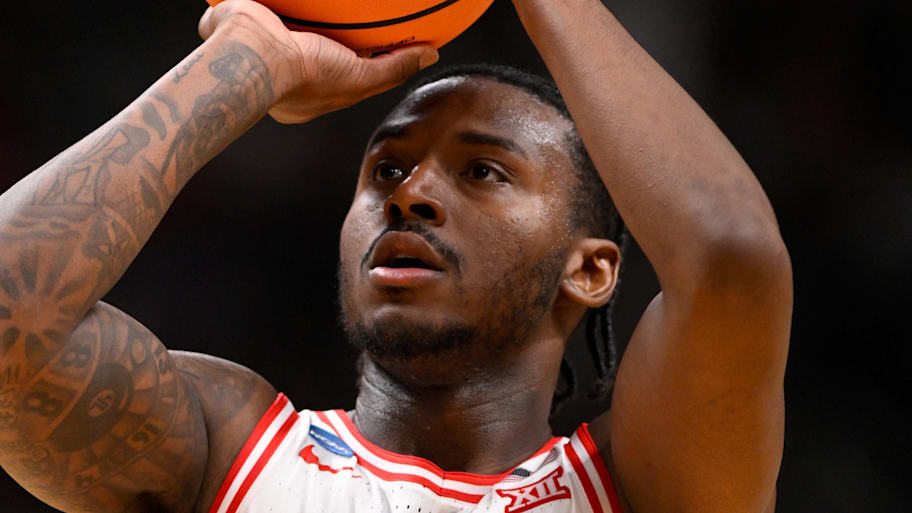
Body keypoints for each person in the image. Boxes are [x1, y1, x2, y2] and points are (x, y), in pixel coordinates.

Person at [0, 0, 792, 512]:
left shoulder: (638, 485)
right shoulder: (224, 449)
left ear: (589, 270)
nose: (410, 195)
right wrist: (253, 54)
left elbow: (733, 262)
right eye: (386, 170)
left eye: (483, 171)